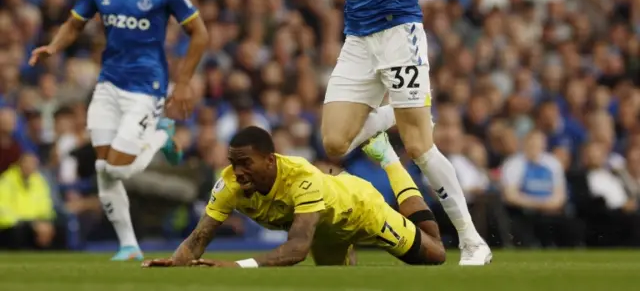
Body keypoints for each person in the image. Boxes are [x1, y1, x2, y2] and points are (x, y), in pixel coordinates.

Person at [246, 0, 491, 264]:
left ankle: (471, 241)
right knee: (335, 142)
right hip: (358, 39)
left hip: (399, 33)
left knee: (420, 148)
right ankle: (398, 111)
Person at [28, 0, 208, 260]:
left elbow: (199, 33)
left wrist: (183, 81)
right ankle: (128, 245)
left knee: (116, 167)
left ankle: (161, 134)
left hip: (147, 88)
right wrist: (53, 46)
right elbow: (74, 23)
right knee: (103, 169)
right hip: (108, 85)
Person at [142, 126, 446, 268]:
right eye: (234, 163)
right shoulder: (229, 183)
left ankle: (390, 160)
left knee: (435, 252)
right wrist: (176, 261)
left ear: (270, 160)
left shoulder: (300, 179)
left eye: (246, 163)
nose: (238, 171)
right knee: (339, 283)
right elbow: (199, 237)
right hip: (326, 232)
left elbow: (298, 249)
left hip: (361, 211)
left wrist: (237, 266)